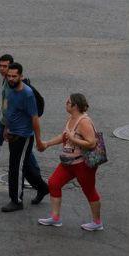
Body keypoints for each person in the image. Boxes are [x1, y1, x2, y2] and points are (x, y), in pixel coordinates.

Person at [37, 93, 103, 230]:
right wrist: (47, 144)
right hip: (68, 162)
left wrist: (74, 140)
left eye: (68, 102)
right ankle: (55, 218)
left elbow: (91, 143)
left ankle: (97, 223)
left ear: (75, 106)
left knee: (89, 190)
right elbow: (64, 137)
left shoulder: (84, 122)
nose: (66, 104)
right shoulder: (71, 118)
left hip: (83, 164)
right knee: (54, 183)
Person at [0, 54, 41, 182]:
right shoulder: (7, 80)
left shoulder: (16, 85)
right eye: (0, 66)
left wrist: (9, 126)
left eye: (5, 66)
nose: (1, 69)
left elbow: (31, 114)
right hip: (5, 120)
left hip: (14, 124)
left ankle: (35, 176)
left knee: (25, 152)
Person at [1, 62, 49, 212]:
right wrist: (6, 128)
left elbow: (35, 118)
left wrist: (39, 141)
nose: (11, 79)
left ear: (21, 76)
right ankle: (43, 188)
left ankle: (16, 200)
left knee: (16, 168)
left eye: (14, 76)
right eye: (9, 76)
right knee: (26, 167)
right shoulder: (10, 88)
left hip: (23, 137)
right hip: (12, 134)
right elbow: (11, 110)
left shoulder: (27, 94)